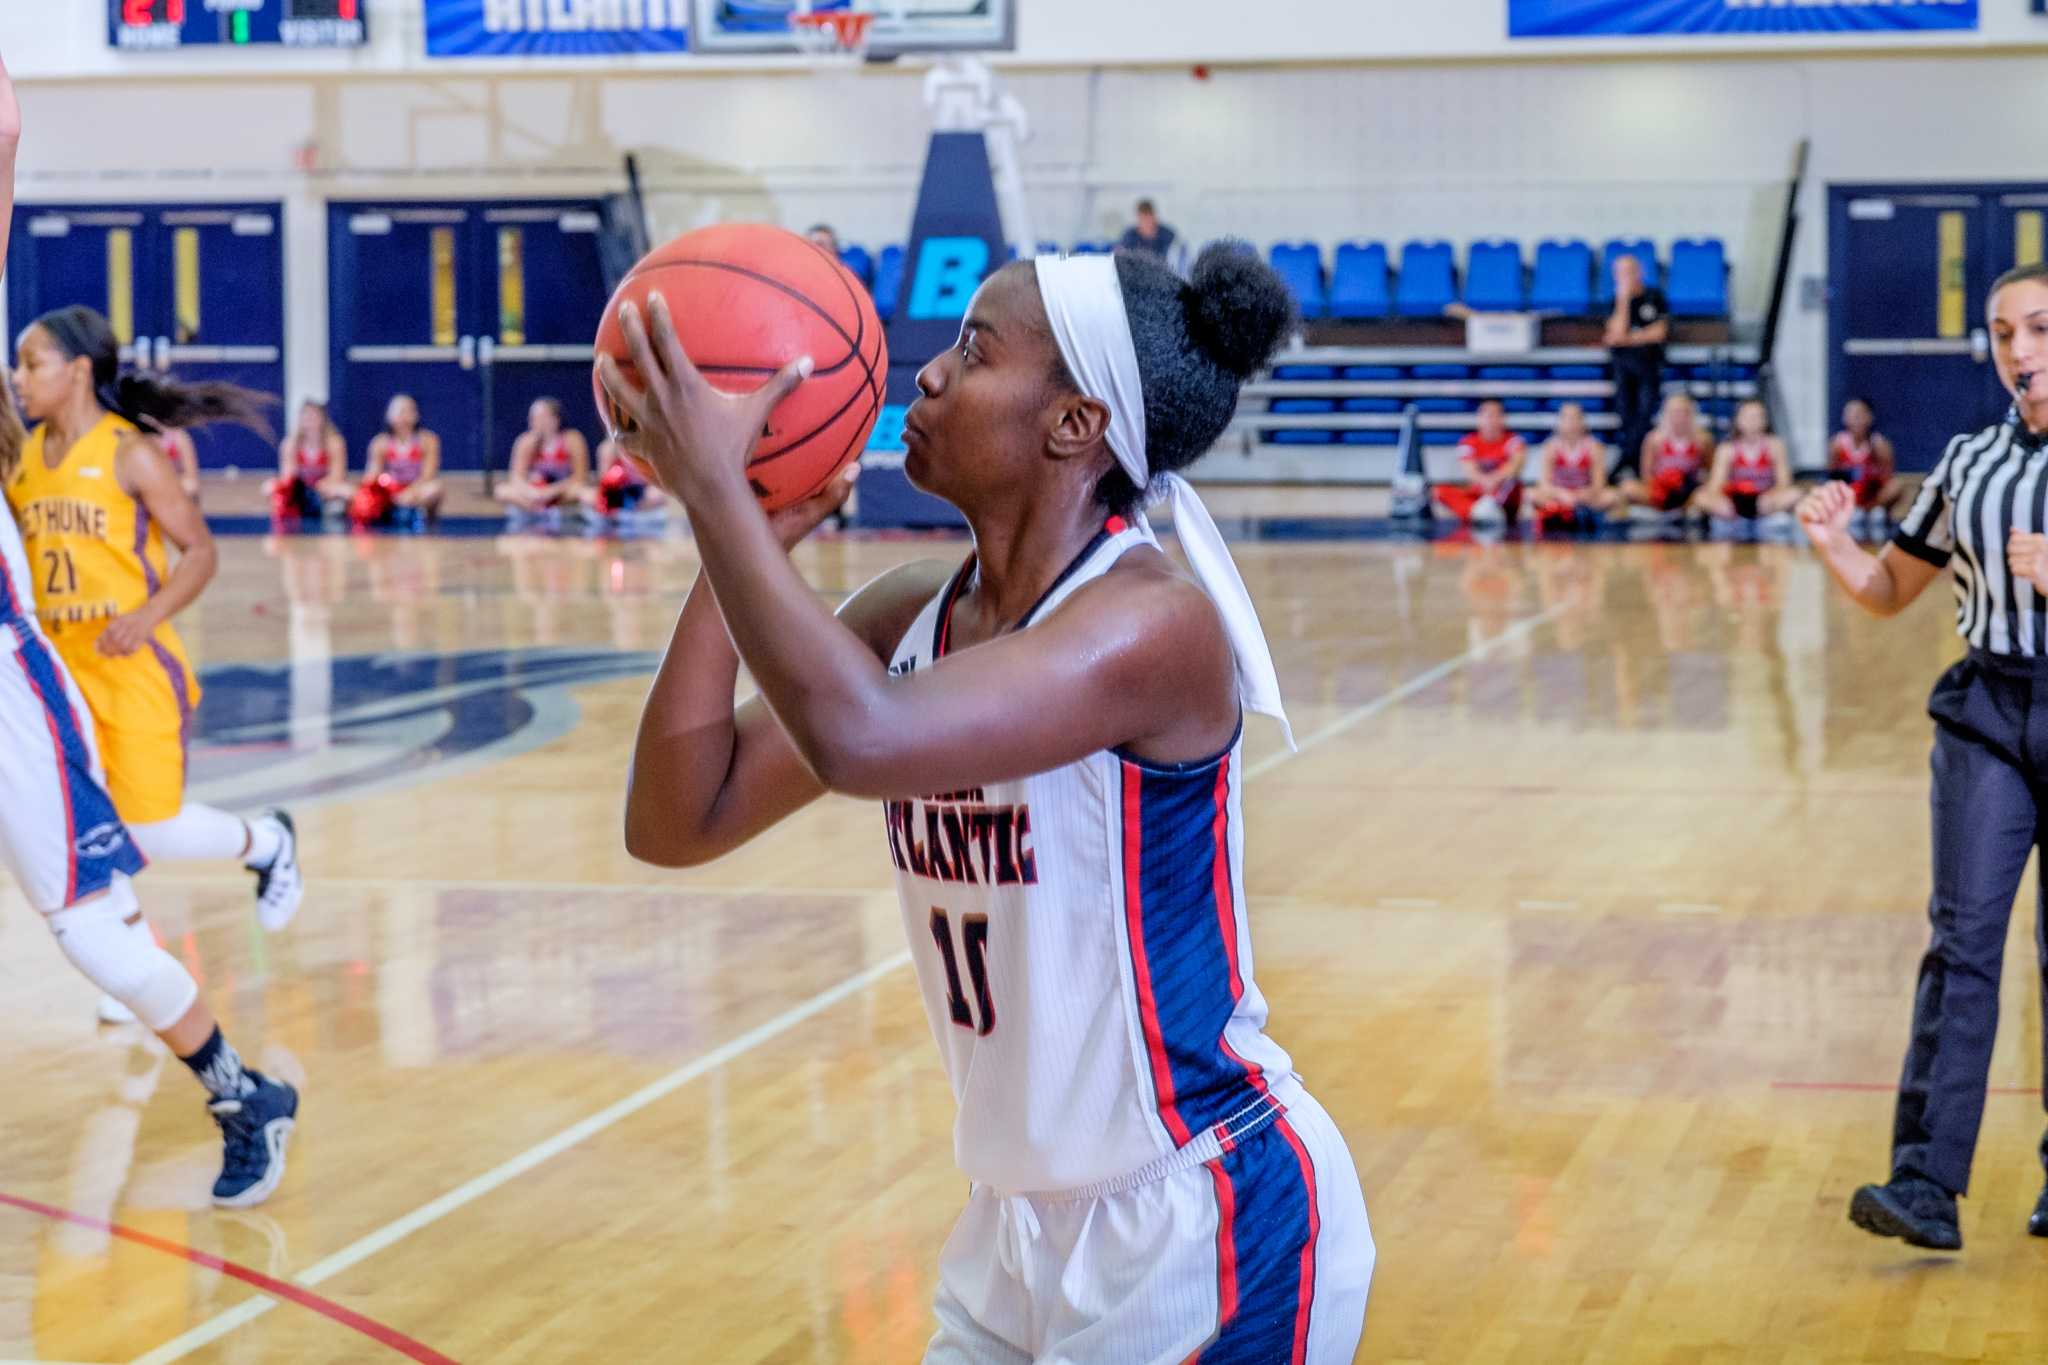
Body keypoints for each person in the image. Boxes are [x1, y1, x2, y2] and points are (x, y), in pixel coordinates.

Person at [602, 243, 1373, 1360]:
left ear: (1073, 425)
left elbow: (865, 740)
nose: (924, 375)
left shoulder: (1150, 625)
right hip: (1011, 1234)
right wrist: (747, 532)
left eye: (973, 352)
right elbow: (677, 821)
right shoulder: (911, 612)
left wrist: (717, 494)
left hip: (1199, 1223)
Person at [0, 47, 299, 1208]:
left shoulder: (96, 440)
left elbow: (8, 142)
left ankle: (242, 1093)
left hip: (24, 687)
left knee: (95, 931)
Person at [1800, 259, 2048, 1253]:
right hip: (1987, 713)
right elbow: (1888, 590)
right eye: (2001, 334)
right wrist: (1832, 546)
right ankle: (1923, 1184)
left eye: (2036, 328)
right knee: (1961, 948)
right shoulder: (1966, 462)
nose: (2018, 352)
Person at [7, 304, 305, 944]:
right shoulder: (25, 459)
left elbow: (200, 553)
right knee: (82, 825)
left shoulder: (131, 455)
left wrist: (147, 617)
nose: (19, 378)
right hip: (59, 676)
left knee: (147, 828)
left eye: (33, 364)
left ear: (79, 371)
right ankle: (133, 967)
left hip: (133, 667)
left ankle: (267, 841)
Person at [1604, 253, 1669, 481]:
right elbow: (1616, 333)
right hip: (1623, 368)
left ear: (1639, 271)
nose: (1625, 277)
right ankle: (1633, 464)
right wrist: (1623, 300)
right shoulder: (1614, 301)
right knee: (1626, 417)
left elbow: (1659, 332)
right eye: (1620, 273)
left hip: (1648, 367)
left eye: (1629, 271)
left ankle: (1624, 463)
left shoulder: (1654, 296)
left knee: (1644, 416)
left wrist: (1627, 338)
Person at [1696, 398, 1799, 520]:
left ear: (1764, 420)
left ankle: (1764, 517)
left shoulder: (1775, 446)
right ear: (1738, 420)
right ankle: (1733, 517)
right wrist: (1722, 501)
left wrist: (1771, 496)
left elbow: (1784, 482)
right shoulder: (1727, 449)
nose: (1752, 421)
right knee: (1700, 496)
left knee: (1795, 494)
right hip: (1735, 500)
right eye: (1747, 417)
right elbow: (1715, 485)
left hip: (1764, 500)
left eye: (1756, 417)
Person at [350, 393, 443, 529]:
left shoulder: (428, 440)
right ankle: (396, 510)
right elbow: (372, 475)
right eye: (400, 411)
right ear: (389, 416)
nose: (404, 416)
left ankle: (414, 511)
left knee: (435, 488)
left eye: (409, 410)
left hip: (416, 490)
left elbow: (428, 475)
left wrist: (411, 492)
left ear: (416, 415)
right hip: (391, 491)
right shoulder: (380, 442)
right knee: (357, 493)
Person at [1529, 401, 1619, 533]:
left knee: (1612, 496)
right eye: (1567, 418)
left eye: (1575, 418)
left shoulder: (1594, 446)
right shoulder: (1551, 446)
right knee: (1531, 494)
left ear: (1582, 421)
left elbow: (1599, 483)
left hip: (1585, 496)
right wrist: (1561, 494)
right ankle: (1564, 512)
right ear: (1560, 422)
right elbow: (1544, 483)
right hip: (1560, 495)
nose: (1571, 423)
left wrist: (1581, 495)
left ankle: (1567, 513)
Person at [1435, 398, 1527, 526]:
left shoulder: (1514, 441)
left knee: (1512, 482)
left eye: (1495, 415)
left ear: (1503, 418)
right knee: (1440, 491)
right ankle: (1478, 513)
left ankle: (1483, 512)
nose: (1491, 420)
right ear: (1479, 418)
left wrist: (1494, 480)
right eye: (1487, 415)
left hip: (1503, 495)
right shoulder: (1468, 442)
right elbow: (1470, 471)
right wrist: (1484, 481)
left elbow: (1516, 465)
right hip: (1479, 493)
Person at [1617, 393, 1712, 516]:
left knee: (1704, 495)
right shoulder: (1654, 439)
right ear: (1665, 414)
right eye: (1674, 412)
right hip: (1660, 490)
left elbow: (1710, 471)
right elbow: (1646, 474)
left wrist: (1694, 481)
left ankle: (1683, 509)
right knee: (1628, 487)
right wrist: (1661, 488)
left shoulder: (1702, 439)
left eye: (1683, 412)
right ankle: (1663, 510)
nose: (1678, 416)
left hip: (1689, 492)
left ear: (1691, 414)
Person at [493, 398, 590, 516]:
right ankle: (539, 510)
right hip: (535, 493)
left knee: (587, 494)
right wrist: (532, 492)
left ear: (556, 419)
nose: (534, 422)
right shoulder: (526, 441)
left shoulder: (572, 439)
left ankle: (551, 509)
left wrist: (553, 491)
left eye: (540, 417)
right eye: (532, 418)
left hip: (562, 492)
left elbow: (579, 477)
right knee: (501, 491)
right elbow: (516, 478)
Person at [1829, 396, 1909, 528]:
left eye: (1860, 414)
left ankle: (1873, 512)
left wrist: (1871, 481)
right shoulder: (1837, 444)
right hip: (1849, 494)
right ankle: (1848, 512)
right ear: (1844, 418)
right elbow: (1831, 476)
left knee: (1896, 485)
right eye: (1852, 414)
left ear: (1869, 417)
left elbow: (1887, 478)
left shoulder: (1879, 444)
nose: (1856, 419)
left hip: (1871, 496)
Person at [267, 398, 350, 521]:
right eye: (306, 415)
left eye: (314, 415)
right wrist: (303, 490)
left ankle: (327, 507)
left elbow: (337, 475)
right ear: (300, 419)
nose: (310, 419)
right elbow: (288, 476)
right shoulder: (290, 444)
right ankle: (299, 506)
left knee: (347, 491)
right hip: (301, 491)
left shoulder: (334, 443)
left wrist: (318, 488)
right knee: (269, 487)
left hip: (325, 489)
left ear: (323, 418)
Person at [584, 435, 668, 525]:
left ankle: (628, 512)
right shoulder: (608, 449)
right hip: (616, 492)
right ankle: (620, 512)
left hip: (640, 493)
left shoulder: (647, 448)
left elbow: (653, 480)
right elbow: (603, 482)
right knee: (586, 496)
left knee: (657, 495)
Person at [1117, 199, 1182, 270]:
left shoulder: (1168, 235)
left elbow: (1177, 260)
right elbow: (1120, 256)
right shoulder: (1129, 236)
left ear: (1154, 217)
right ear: (1138, 219)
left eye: (1148, 219)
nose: (1146, 223)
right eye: (1143, 219)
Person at [161, 428, 200, 501]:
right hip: (151, 482)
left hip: (173, 482)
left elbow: (191, 475)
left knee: (190, 485)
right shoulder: (141, 437)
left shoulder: (179, 437)